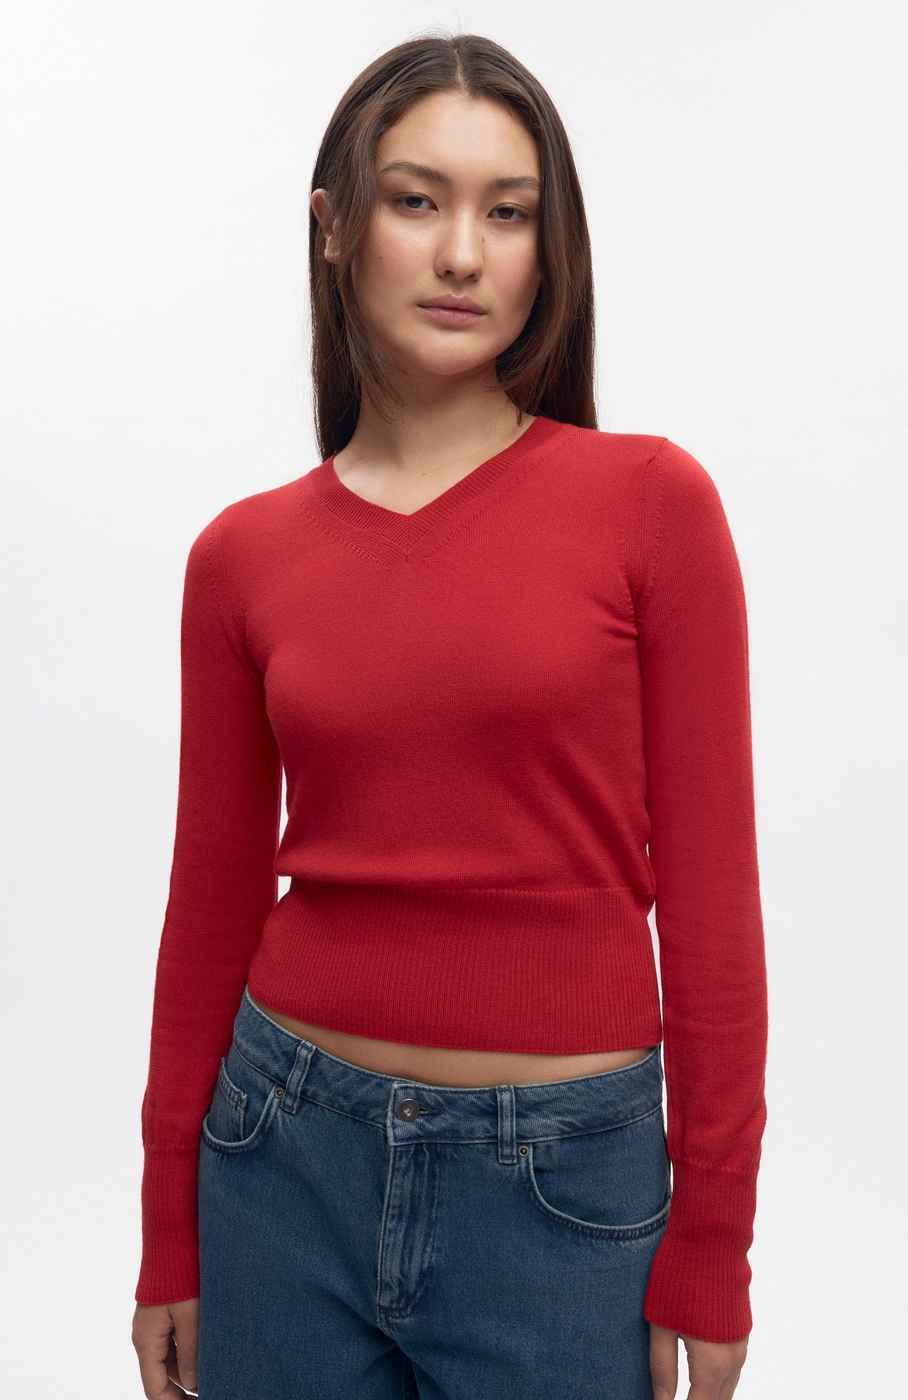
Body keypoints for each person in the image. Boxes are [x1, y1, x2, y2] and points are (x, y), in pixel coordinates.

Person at [131, 33, 767, 1400]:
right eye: (417, 200)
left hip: (562, 1193)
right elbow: (210, 910)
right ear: (333, 226)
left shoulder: (651, 507)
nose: (464, 253)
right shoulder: (241, 558)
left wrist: (714, 1240)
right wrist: (166, 1228)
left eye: (509, 211)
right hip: (279, 1158)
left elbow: (714, 902)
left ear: (550, 247)